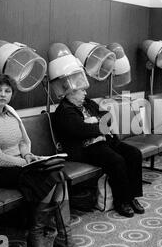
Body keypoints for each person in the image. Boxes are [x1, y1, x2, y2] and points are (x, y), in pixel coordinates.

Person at [0, 74, 87, 247]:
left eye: (7, 91)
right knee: (50, 178)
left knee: (59, 176)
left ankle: (65, 238)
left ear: (11, 94)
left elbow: (23, 142)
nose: (3, 94)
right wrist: (25, 162)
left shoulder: (11, 113)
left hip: (21, 164)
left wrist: (27, 155)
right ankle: (37, 234)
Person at [53, 87, 145, 218]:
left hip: (104, 140)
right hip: (85, 148)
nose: (85, 93)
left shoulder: (88, 103)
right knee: (116, 161)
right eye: (82, 91)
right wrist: (98, 125)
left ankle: (132, 197)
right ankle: (121, 201)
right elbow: (81, 130)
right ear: (71, 93)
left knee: (134, 153)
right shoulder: (64, 111)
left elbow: (108, 117)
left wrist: (94, 122)